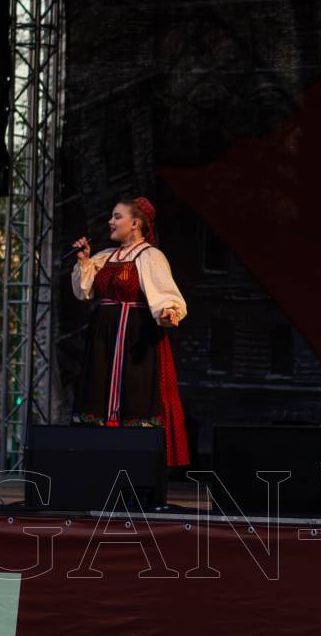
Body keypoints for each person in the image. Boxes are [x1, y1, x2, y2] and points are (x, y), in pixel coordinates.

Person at [69, 197, 190, 467]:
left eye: (117, 216)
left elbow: (167, 296)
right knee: (98, 390)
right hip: (104, 337)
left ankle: (134, 464)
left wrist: (169, 312)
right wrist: (84, 261)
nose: (110, 222)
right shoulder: (105, 256)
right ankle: (97, 462)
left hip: (136, 336)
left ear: (135, 223)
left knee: (135, 394)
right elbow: (83, 291)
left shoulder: (150, 256)